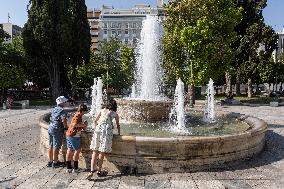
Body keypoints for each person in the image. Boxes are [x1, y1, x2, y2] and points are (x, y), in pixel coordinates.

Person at [87, 99, 120, 178]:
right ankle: (99, 170)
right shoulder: (114, 113)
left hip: (98, 130)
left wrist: (96, 129)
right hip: (106, 133)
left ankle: (91, 170)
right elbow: (118, 125)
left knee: (95, 151)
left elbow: (95, 121)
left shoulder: (102, 110)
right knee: (102, 152)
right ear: (114, 106)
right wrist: (119, 134)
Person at [65, 104, 88, 173]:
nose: (85, 113)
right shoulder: (78, 115)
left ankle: (68, 168)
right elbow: (74, 124)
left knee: (69, 150)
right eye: (85, 111)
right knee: (77, 150)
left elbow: (74, 124)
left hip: (69, 134)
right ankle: (75, 168)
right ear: (82, 111)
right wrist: (84, 125)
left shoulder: (77, 114)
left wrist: (82, 125)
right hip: (74, 136)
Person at [47, 96, 69, 168]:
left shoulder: (54, 109)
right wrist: (66, 128)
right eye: (65, 102)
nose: (66, 103)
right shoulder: (62, 111)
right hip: (57, 129)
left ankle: (50, 161)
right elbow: (64, 120)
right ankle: (55, 162)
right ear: (62, 103)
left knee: (51, 145)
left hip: (50, 128)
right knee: (56, 146)